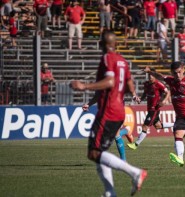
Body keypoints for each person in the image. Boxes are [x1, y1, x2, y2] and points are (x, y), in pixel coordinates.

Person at [70, 31, 147, 197]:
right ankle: (109, 192)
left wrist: (84, 86)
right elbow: (128, 85)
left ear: (102, 45)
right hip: (119, 110)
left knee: (94, 153)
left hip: (108, 111)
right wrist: (132, 94)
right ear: (116, 44)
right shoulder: (123, 62)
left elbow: (110, 82)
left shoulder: (107, 58)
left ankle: (135, 173)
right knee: (100, 152)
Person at [127, 68, 173, 150]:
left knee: (145, 126)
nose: (150, 77)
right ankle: (176, 124)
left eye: (152, 75)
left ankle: (136, 144)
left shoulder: (159, 84)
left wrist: (164, 101)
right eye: (149, 75)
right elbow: (145, 93)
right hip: (149, 108)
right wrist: (141, 99)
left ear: (155, 76)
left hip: (154, 109)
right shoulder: (147, 84)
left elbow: (168, 92)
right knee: (158, 126)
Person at [82, 91, 135, 161]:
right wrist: (88, 104)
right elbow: (97, 96)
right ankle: (126, 131)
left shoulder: (115, 82)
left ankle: (123, 160)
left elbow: (126, 88)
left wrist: (134, 95)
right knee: (111, 135)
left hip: (118, 110)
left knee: (116, 135)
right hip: (106, 111)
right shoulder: (101, 82)